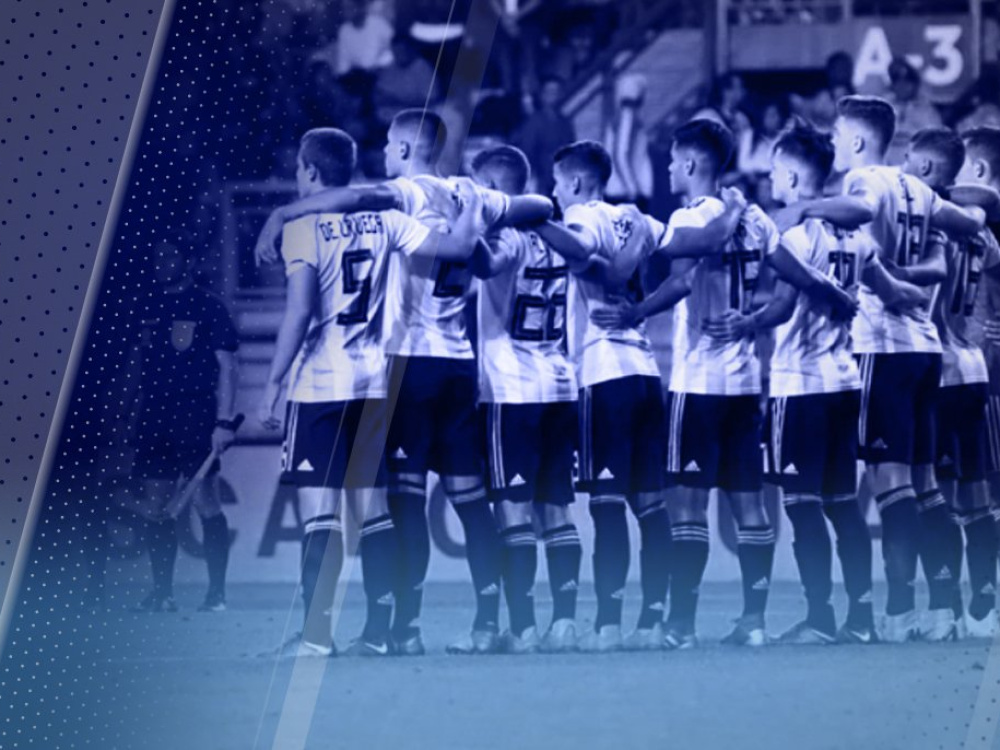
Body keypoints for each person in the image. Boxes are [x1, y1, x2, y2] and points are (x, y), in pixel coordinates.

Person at [255, 110, 554, 656]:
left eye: (391, 145)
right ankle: (491, 624)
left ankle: (402, 629)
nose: (385, 153)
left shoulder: (402, 196)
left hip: (405, 364)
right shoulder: (471, 193)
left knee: (403, 504)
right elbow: (539, 207)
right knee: (470, 501)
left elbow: (354, 197)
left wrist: (282, 212)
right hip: (458, 365)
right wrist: (482, 216)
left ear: (406, 149)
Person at [596, 120, 855, 649]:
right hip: (745, 384)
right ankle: (753, 622)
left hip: (699, 382)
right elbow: (799, 277)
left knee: (686, 507)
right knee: (749, 506)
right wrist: (839, 297)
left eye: (674, 161)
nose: (670, 170)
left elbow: (682, 277)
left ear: (691, 164)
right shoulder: (757, 218)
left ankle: (681, 626)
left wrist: (637, 313)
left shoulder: (692, 216)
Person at [774, 96, 985, 641]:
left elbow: (862, 212)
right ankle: (944, 608)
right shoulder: (918, 187)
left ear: (857, 140)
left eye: (838, 134)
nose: (835, 143)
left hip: (880, 347)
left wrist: (806, 209)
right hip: (925, 348)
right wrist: (980, 213)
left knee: (890, 485)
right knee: (926, 484)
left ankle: (899, 611)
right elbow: (964, 223)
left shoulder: (863, 180)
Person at [712, 122, 920, 645]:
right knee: (842, 503)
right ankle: (862, 619)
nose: (770, 179)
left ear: (789, 174)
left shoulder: (796, 235)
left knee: (803, 506)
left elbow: (783, 307)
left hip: (800, 385)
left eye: (774, 170)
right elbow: (894, 292)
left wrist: (747, 322)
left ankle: (820, 617)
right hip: (845, 382)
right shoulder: (857, 239)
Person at [537, 139, 747, 651]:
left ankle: (607, 626)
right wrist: (735, 208)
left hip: (602, 372)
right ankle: (652, 622)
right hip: (646, 373)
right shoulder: (639, 219)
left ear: (576, 182)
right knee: (652, 508)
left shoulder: (582, 218)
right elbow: (705, 241)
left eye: (557, 184)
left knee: (607, 506)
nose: (554, 193)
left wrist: (536, 220)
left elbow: (588, 258)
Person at [469, 145, 582, 653]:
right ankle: (565, 624)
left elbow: (485, 263)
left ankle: (523, 628)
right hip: (559, 384)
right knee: (556, 509)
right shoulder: (560, 238)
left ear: (494, 189)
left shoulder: (509, 238)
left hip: (511, 390)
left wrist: (468, 223)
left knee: (513, 512)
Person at [904, 128, 1000, 639]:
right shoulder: (984, 234)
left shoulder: (930, 223)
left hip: (937, 369)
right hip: (975, 368)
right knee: (978, 493)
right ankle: (985, 606)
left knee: (931, 492)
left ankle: (943, 608)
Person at [122, 233, 240, 614]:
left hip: (194, 414)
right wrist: (124, 409)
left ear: (189, 261)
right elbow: (136, 364)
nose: (161, 264)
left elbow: (228, 367)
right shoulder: (145, 306)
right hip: (153, 415)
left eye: (170, 256)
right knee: (155, 504)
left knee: (205, 500)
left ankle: (217, 594)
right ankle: (163, 594)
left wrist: (224, 421)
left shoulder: (209, 307)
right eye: (157, 257)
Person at [515, 76, 576, 197]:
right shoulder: (534, 122)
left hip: (563, 181)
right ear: (542, 95)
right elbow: (527, 152)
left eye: (556, 92)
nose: (553, 95)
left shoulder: (565, 122)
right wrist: (533, 180)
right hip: (542, 182)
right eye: (549, 92)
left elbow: (572, 150)